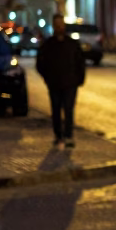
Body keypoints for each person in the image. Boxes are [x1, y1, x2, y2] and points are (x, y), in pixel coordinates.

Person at [36, 13, 86, 150]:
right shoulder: (48, 45)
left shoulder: (72, 44)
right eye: (56, 25)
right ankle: (58, 136)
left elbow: (80, 62)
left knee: (69, 110)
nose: (59, 27)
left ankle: (69, 136)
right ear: (53, 26)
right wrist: (47, 78)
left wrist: (79, 79)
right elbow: (40, 64)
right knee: (56, 111)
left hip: (70, 84)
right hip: (54, 84)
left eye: (61, 25)